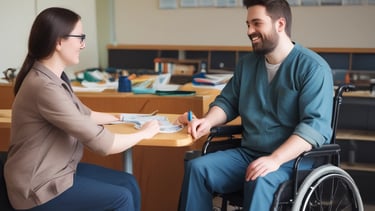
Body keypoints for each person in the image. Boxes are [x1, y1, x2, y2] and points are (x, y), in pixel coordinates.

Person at [177, 0, 334, 210]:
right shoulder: (247, 64)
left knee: (260, 178)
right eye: (248, 24)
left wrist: (274, 159)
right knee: (198, 168)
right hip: (249, 154)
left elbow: (314, 128)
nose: (250, 31)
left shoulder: (313, 68)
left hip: (294, 159)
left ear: (280, 24)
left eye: (257, 23)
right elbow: (227, 101)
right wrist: (207, 121)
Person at [4, 7, 160, 211]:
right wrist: (145, 133)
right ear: (59, 41)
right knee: (121, 197)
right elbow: (104, 145)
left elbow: (86, 115)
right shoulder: (44, 87)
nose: (83, 44)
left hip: (58, 172)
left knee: (128, 183)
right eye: (80, 37)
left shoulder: (53, 79)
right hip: (37, 188)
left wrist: (124, 117)